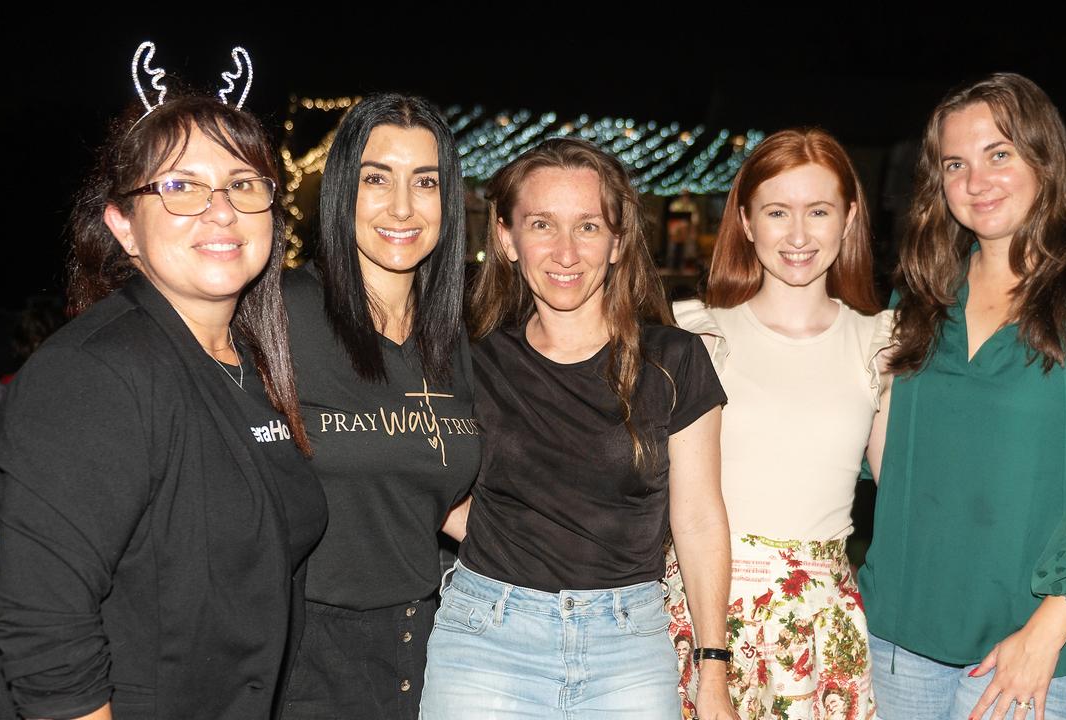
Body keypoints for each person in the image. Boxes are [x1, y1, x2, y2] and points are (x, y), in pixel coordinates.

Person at [0, 73, 327, 719]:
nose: (221, 210)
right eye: (180, 186)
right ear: (123, 226)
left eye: (242, 184)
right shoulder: (96, 373)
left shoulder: (250, 362)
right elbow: (45, 630)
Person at [859, 73, 1066, 720]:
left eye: (999, 153)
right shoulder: (922, 296)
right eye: (956, 163)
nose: (977, 181)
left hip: (1035, 646)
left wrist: (1045, 636)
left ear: (1045, 156)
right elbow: (885, 462)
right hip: (901, 632)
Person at [418, 138, 737, 719]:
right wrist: (507, 536)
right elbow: (417, 481)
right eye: (542, 224)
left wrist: (712, 669)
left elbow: (697, 518)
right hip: (484, 642)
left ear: (618, 243)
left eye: (588, 227)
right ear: (506, 238)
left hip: (629, 648)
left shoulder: (675, 360)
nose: (565, 252)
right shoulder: (469, 361)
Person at [669, 128, 890, 720]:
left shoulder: (880, 342)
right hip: (696, 610)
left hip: (818, 623)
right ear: (745, 221)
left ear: (848, 219)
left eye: (818, 211)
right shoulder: (691, 333)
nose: (797, 235)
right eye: (776, 211)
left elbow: (907, 490)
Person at [278, 94, 479, 720]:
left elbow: (442, 498)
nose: (401, 207)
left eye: (425, 182)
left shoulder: (451, 338)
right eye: (376, 179)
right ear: (343, 191)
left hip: (428, 645)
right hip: (305, 651)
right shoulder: (280, 316)